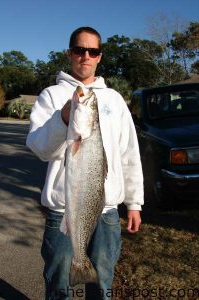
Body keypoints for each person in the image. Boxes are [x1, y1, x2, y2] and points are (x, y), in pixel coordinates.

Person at [26, 26, 144, 300]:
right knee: (59, 285)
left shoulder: (114, 100)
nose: (86, 56)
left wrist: (134, 204)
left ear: (100, 56)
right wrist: (63, 119)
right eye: (80, 50)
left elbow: (129, 154)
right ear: (69, 53)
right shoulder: (51, 96)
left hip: (108, 213)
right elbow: (39, 148)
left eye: (93, 51)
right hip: (62, 211)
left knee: (102, 284)